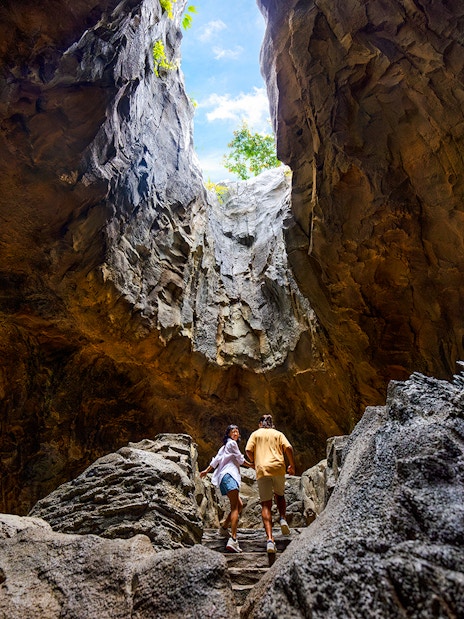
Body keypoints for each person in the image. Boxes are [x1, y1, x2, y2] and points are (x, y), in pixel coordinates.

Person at [245, 414, 295, 554]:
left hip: (262, 470)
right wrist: (291, 465)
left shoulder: (255, 434)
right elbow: (289, 448)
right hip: (278, 468)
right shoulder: (278, 434)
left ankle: (270, 540)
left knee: (266, 504)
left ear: (260, 424)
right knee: (280, 495)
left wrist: (255, 461)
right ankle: (283, 519)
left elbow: (248, 450)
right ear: (272, 424)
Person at [200, 424, 249, 553]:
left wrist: (206, 471)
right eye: (233, 431)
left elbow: (216, 460)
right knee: (234, 507)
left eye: (237, 431)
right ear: (228, 434)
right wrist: (252, 465)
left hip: (223, 478)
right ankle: (233, 539)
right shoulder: (232, 444)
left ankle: (224, 527)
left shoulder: (224, 447)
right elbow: (240, 459)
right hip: (230, 475)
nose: (236, 433)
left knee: (239, 504)